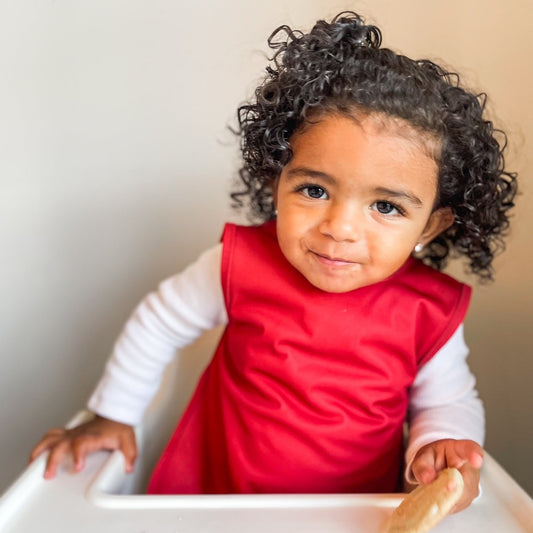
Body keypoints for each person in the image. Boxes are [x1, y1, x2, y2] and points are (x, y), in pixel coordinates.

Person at [30, 11, 517, 513]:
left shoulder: (429, 309)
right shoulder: (240, 264)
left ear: (431, 225)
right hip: (218, 502)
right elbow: (159, 322)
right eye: (315, 190)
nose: (340, 227)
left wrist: (439, 446)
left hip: (352, 513)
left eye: (385, 206)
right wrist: (113, 414)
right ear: (275, 181)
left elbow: (446, 401)